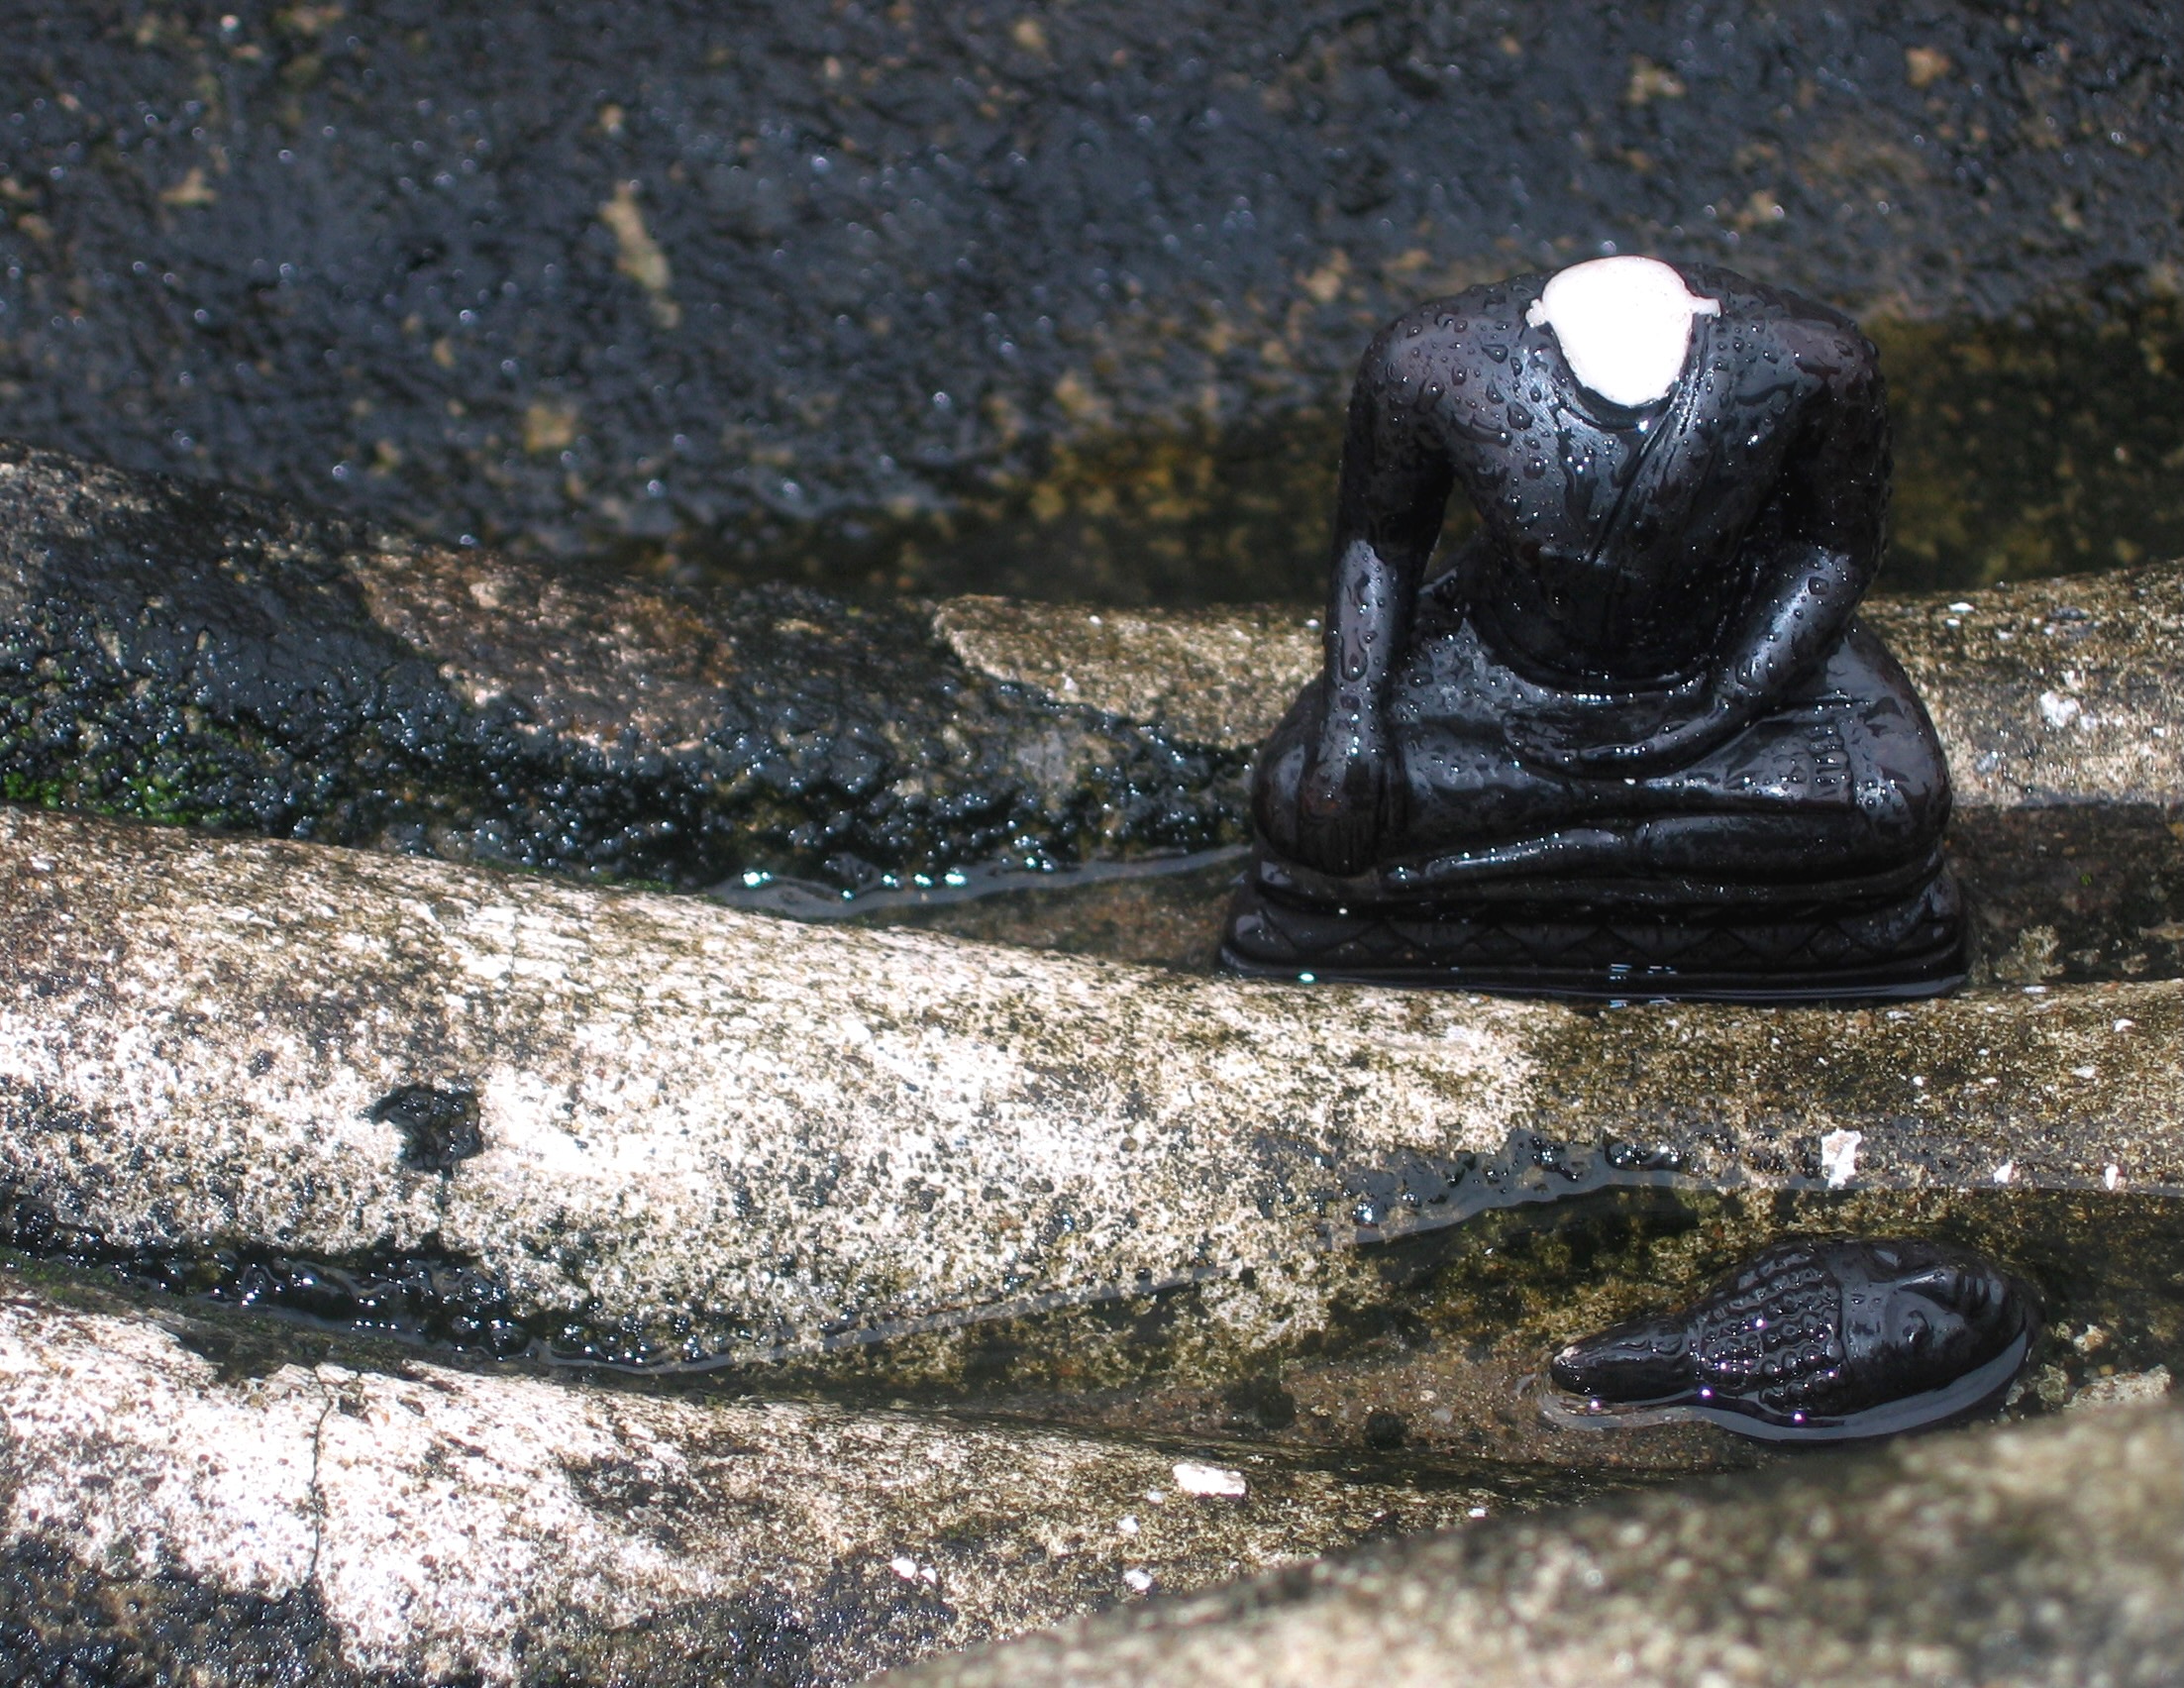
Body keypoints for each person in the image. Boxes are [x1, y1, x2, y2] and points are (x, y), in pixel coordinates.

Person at [1224, 257, 1962, 998]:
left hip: (1729, 669)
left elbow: (1833, 547)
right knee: (1303, 796)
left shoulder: (1811, 359)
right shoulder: (1430, 360)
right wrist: (1354, 722)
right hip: (1504, 671)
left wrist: (1724, 702)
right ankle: (1640, 852)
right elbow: (1379, 543)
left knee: (1892, 799)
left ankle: (1522, 865)